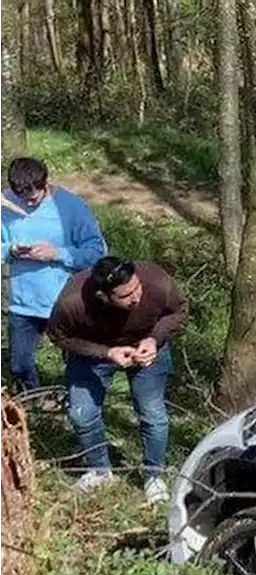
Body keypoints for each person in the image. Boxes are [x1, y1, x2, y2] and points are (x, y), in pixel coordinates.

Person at [47, 256, 187, 504]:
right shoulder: (73, 302)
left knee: (153, 413)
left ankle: (154, 475)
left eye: (137, 288)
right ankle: (100, 471)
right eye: (126, 296)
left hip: (147, 347)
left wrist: (154, 338)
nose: (136, 297)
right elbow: (59, 336)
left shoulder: (156, 280)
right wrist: (105, 353)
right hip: (93, 351)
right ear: (104, 296)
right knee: (82, 413)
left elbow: (178, 310)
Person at [0, 157, 107, 393]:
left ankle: (78, 402)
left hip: (65, 300)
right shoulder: (4, 204)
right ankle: (30, 409)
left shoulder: (72, 207)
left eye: (33, 197)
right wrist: (11, 250)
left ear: (45, 182)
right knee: (20, 364)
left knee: (78, 361)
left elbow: (96, 252)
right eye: (21, 197)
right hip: (23, 303)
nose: (27, 203)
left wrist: (56, 253)